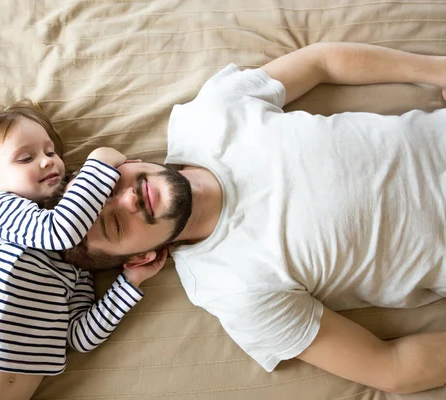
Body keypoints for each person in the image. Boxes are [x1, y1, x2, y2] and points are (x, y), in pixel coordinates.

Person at [63, 42, 446, 394]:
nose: (127, 199)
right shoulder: (233, 293)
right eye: (115, 225)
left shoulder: (208, 116)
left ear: (122, 162)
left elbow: (321, 62)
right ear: (141, 259)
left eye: (108, 186)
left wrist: (437, 69)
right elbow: (389, 368)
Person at [0, 82, 167, 400]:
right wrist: (100, 162)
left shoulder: (71, 261)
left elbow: (80, 337)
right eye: (25, 158)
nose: (47, 161)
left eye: (51, 152)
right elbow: (57, 229)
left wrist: (129, 282)